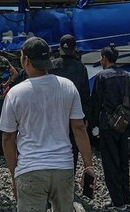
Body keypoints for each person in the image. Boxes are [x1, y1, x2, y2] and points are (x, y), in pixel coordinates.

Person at [0, 37, 96, 211]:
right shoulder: (68, 86)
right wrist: (88, 166)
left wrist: (14, 174)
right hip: (64, 169)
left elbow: (7, 137)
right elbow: (79, 128)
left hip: (30, 169)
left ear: (26, 60)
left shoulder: (16, 93)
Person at [89, 46, 130, 211]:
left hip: (107, 125)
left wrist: (91, 124)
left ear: (105, 58)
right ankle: (126, 198)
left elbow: (96, 104)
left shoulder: (102, 77)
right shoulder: (128, 76)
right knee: (123, 161)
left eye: (101, 58)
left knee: (110, 163)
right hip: (124, 125)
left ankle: (118, 202)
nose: (101, 61)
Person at [49, 34, 90, 172]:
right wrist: (86, 117)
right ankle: (69, 175)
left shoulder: (52, 65)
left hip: (53, 112)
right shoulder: (81, 68)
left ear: (60, 48)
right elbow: (85, 94)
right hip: (73, 113)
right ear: (75, 49)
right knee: (73, 146)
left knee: (53, 143)